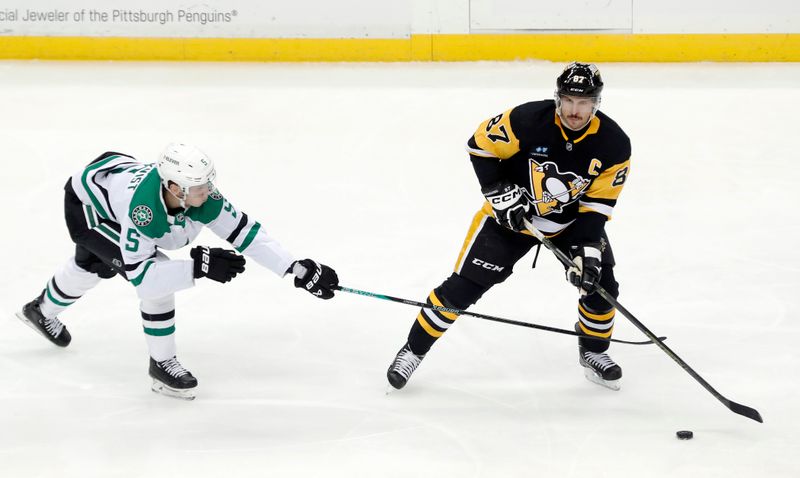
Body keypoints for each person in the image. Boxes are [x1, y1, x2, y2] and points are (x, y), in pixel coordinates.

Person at [14, 143, 339, 400]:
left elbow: (246, 233)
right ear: (172, 186)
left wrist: (294, 268)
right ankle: (161, 365)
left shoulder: (199, 194)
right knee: (151, 281)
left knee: (91, 267)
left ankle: (39, 311)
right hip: (90, 211)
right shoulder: (142, 211)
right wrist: (198, 268)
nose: (207, 191)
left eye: (207, 182)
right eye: (197, 186)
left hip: (109, 178)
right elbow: (143, 278)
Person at [387, 62, 631, 391]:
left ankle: (593, 351)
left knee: (600, 288)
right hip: (509, 222)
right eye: (569, 100)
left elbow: (596, 207)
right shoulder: (527, 120)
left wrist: (586, 252)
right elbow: (480, 146)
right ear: (557, 98)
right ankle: (412, 351)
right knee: (462, 289)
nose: (575, 110)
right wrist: (500, 194)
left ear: (596, 103)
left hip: (572, 224)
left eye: (584, 102)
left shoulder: (614, 144)